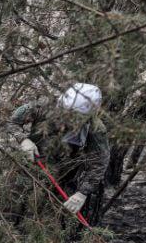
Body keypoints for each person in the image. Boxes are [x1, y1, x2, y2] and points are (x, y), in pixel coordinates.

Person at [8, 82, 109, 224]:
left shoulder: (95, 128)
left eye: (76, 116)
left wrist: (82, 192)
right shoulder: (42, 106)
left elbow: (99, 161)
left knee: (49, 216)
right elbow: (10, 122)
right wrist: (23, 140)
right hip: (29, 163)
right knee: (14, 204)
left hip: (64, 176)